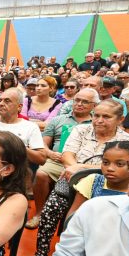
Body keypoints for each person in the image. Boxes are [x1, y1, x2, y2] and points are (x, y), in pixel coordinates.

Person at [29, 99, 129, 256]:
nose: (99, 120)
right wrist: (73, 167)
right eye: (96, 115)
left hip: (108, 183)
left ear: (120, 119)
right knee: (51, 208)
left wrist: (81, 167)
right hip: (72, 178)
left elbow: (120, 168)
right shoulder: (81, 130)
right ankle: (41, 254)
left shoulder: (127, 141)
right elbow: (68, 155)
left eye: (106, 117)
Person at [26, 88, 99, 229]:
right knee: (41, 174)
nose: (79, 104)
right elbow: (43, 145)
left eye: (85, 101)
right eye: (77, 100)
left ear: (94, 106)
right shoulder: (58, 120)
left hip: (83, 163)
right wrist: (49, 153)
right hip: (56, 160)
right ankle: (39, 213)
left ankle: (75, 221)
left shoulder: (96, 123)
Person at [64, 141, 129, 218]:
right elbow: (73, 217)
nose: (110, 168)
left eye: (120, 164)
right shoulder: (92, 182)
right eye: (105, 162)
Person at [0, 88, 47, 166]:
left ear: (19, 107)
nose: (1, 104)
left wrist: (16, 146)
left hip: (15, 170)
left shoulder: (30, 127)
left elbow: (41, 159)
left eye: (7, 101)